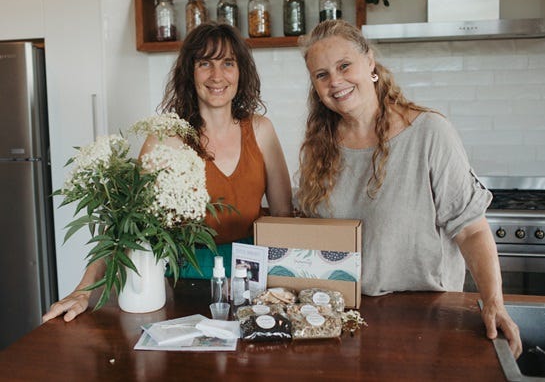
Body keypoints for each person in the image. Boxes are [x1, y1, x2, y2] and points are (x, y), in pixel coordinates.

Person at [295, 19, 522, 357]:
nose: (335, 82)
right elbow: (311, 238)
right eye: (322, 75)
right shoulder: (319, 146)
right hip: (342, 319)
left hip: (427, 318)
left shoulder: (429, 132)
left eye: (345, 66)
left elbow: (471, 230)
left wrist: (494, 301)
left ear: (369, 62)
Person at [43, 22, 292, 323]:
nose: (217, 76)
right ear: (190, 72)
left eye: (228, 63)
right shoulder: (166, 139)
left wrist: (288, 287)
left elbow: (283, 217)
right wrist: (84, 290)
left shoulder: (261, 130)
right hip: (184, 283)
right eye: (205, 63)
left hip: (250, 280)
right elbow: (124, 225)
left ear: (241, 72)